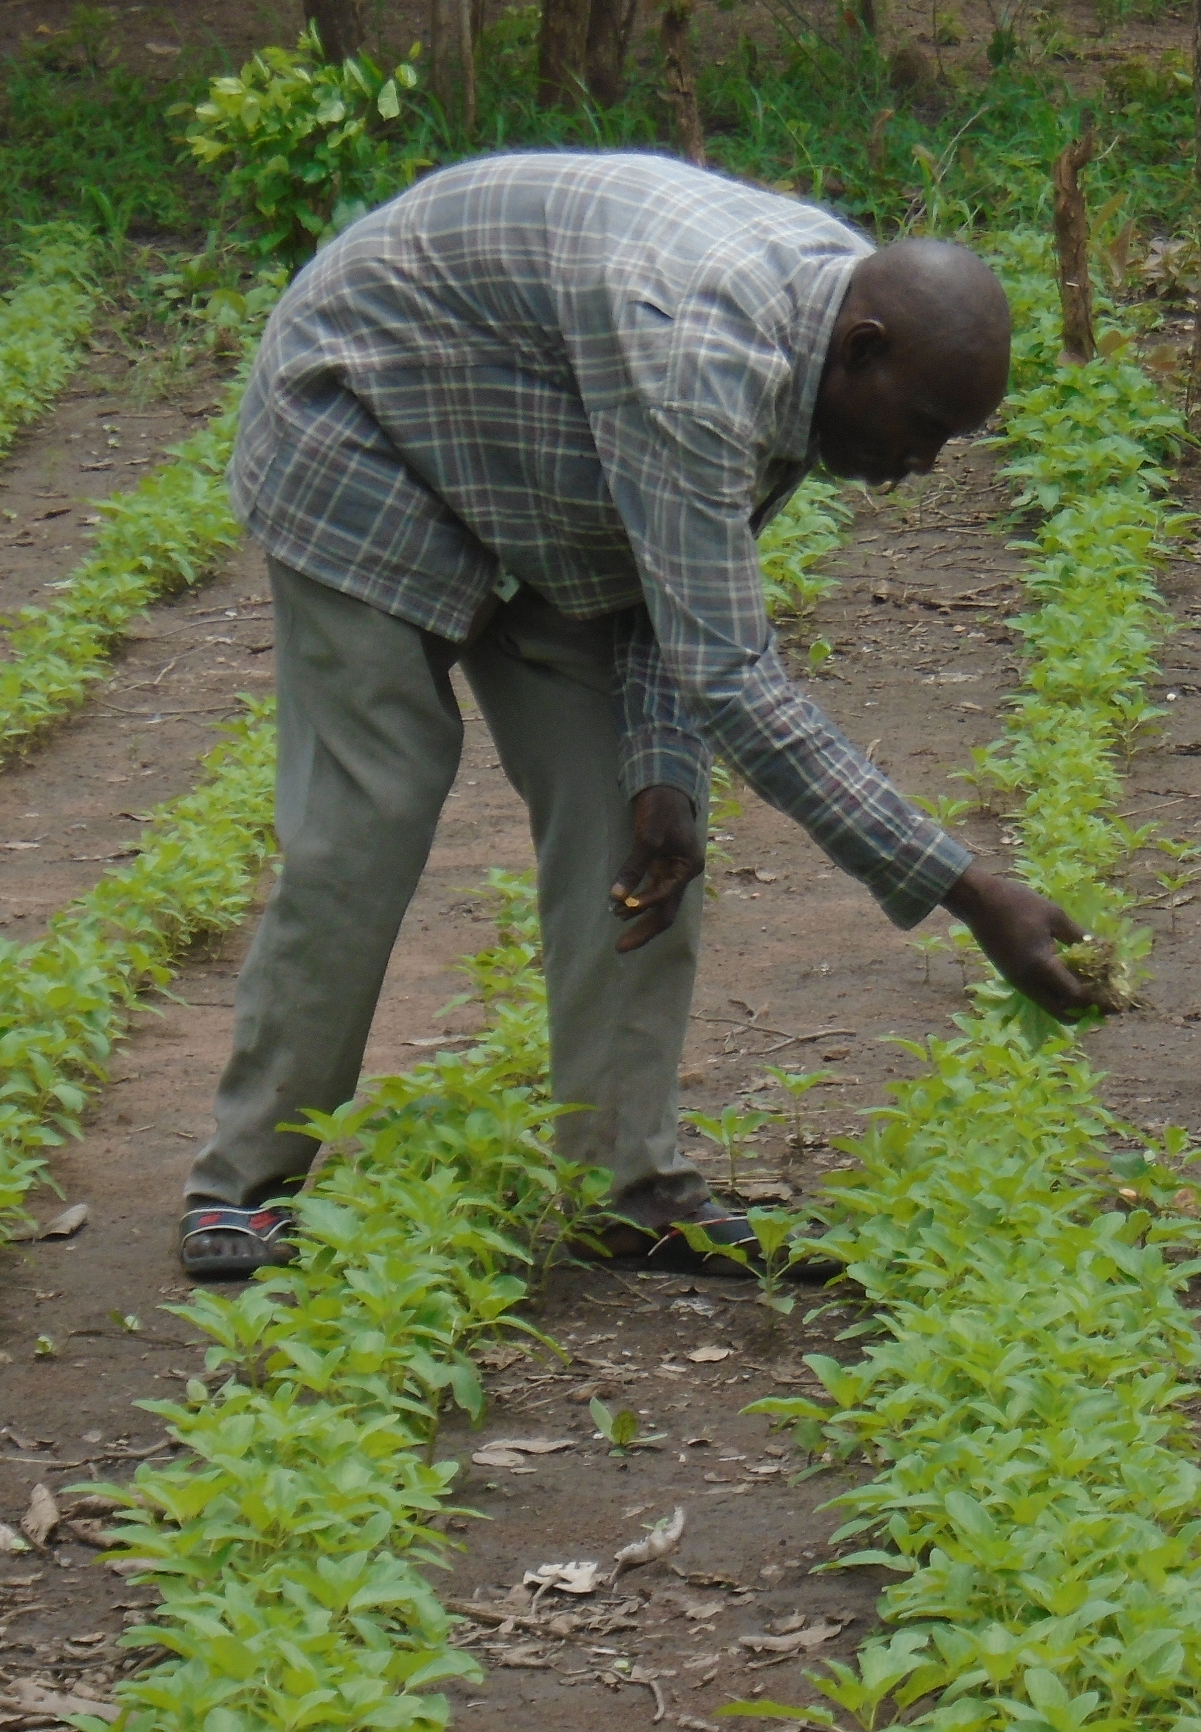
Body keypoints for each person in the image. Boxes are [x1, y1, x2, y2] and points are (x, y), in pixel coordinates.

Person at [177, 149, 1097, 1280]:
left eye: (948, 444)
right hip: (368, 421)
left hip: (546, 461)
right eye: (920, 430)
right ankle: (245, 1183)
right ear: (863, 351)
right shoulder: (699, 353)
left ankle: (627, 1186)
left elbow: (680, 583)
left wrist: (659, 766)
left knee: (642, 825)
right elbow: (734, 676)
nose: (919, 465)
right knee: (373, 809)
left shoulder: (822, 340)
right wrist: (968, 891)